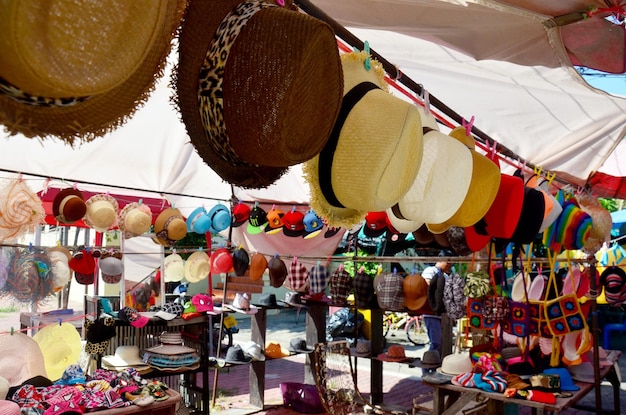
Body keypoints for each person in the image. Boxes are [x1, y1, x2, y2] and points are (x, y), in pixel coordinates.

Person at [421, 261, 451, 357]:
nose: (450, 265)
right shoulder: (430, 270)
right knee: (436, 342)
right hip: (431, 313)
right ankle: (428, 365)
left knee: (443, 343)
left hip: (443, 314)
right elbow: (426, 286)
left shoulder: (445, 275)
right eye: (448, 262)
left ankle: (436, 364)